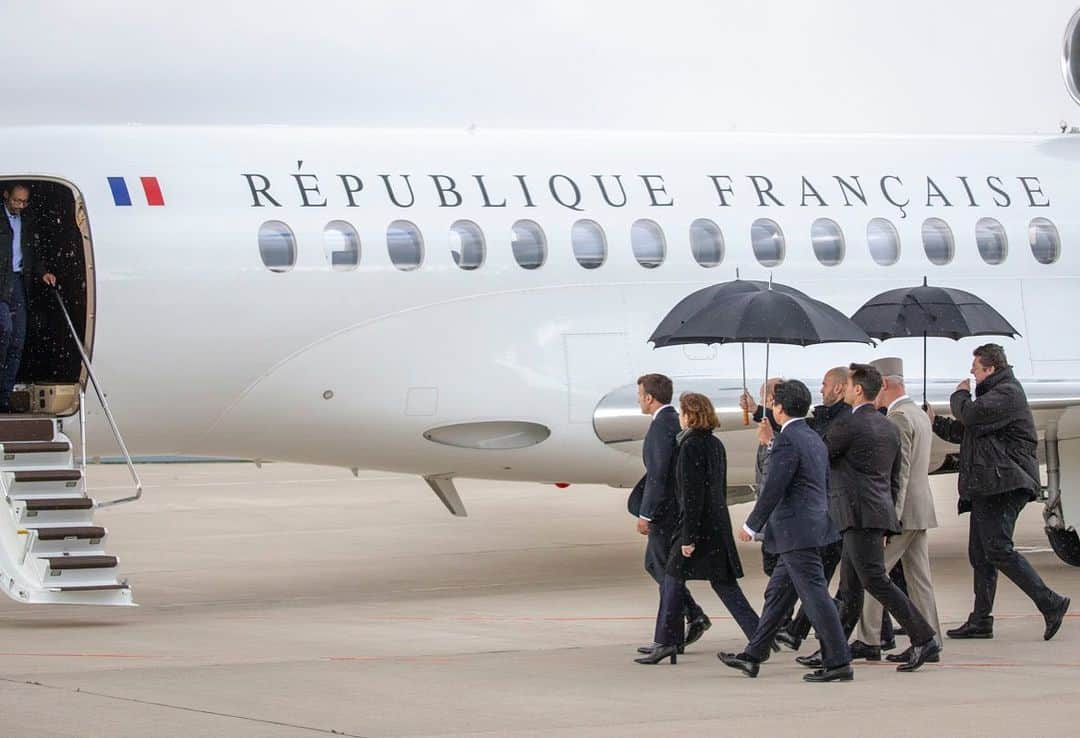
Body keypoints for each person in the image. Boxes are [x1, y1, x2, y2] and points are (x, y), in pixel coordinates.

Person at [929, 344, 1070, 641]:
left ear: (991, 368)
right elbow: (963, 432)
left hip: (1005, 484)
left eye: (976, 368)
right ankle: (981, 620)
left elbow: (968, 415)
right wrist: (934, 421)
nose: (972, 372)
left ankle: (1051, 602)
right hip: (989, 485)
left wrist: (959, 394)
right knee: (980, 554)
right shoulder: (992, 400)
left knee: (997, 549)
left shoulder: (1007, 393)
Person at [718, 379, 852, 683]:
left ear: (779, 408)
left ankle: (839, 660)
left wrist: (752, 525)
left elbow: (774, 487)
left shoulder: (788, 440)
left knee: (815, 596)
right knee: (778, 595)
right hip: (810, 526)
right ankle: (754, 655)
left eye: (774, 403)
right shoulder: (811, 436)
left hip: (796, 531)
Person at [819, 363, 940, 673]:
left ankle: (922, 637)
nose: (842, 390)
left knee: (874, 579)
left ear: (859, 389)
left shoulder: (854, 424)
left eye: (846, 385)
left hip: (863, 514)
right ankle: (839, 649)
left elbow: (821, 457)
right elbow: (894, 478)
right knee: (854, 584)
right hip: (882, 512)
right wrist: (889, 517)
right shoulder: (890, 423)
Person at [635, 392, 760, 664]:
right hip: (716, 525)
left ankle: (666, 642)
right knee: (724, 584)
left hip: (696, 527)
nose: (679, 418)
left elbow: (691, 497)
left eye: (681, 413)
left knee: (671, 581)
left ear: (689, 415)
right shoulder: (715, 444)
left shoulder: (689, 447)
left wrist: (688, 538)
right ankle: (760, 635)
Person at [631, 374, 711, 656]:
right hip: (673, 510)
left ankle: (677, 630)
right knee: (664, 568)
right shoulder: (670, 422)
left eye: (640, 394)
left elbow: (659, 474)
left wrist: (646, 514)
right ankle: (683, 626)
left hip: (665, 513)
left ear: (650, 398)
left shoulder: (660, 427)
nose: (639, 399)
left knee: (661, 568)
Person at [774, 366, 849, 651]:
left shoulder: (840, 423)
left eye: (825, 384)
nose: (822, 389)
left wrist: (753, 523)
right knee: (792, 588)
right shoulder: (824, 421)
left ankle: (837, 653)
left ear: (840, 388)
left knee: (817, 587)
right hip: (823, 516)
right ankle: (771, 642)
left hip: (826, 516)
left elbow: (817, 455)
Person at [0, 183, 57, 412]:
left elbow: (31, 252)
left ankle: (3, 397)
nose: (20, 206)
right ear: (6, 195)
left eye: (24, 202)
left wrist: (43, 272)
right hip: (1, 281)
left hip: (16, 280)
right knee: (4, 331)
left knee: (17, 341)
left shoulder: (26, 221)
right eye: (16, 201)